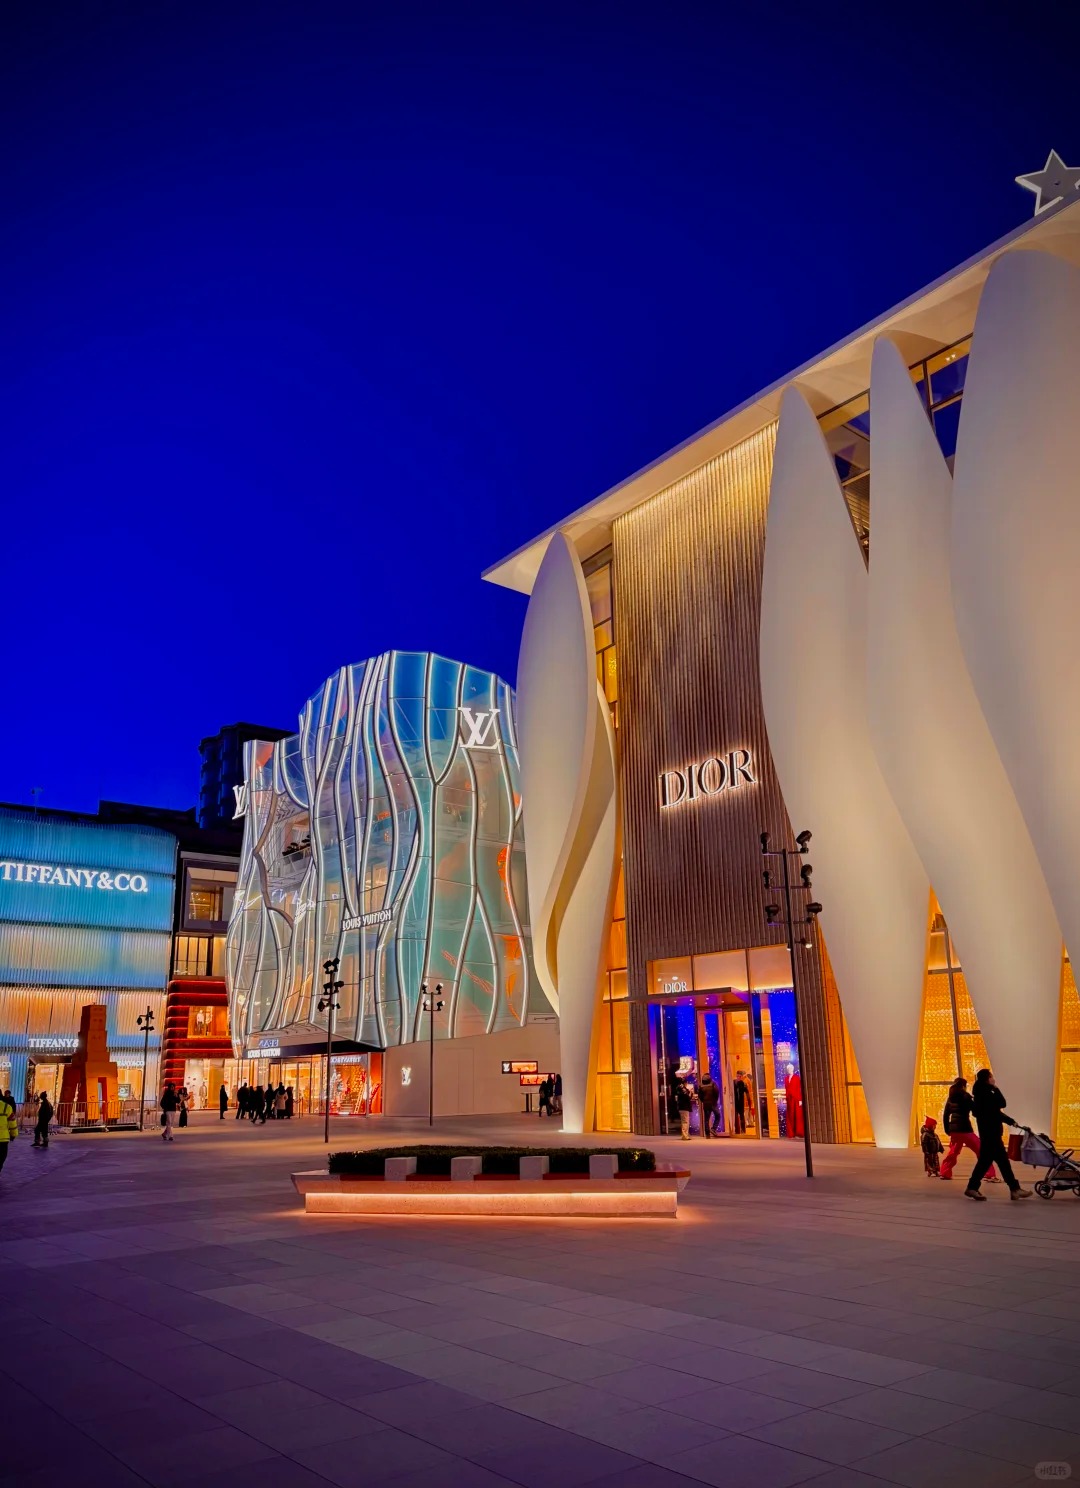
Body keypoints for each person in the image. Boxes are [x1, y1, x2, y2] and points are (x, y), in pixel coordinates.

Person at [966, 1068, 1031, 1201]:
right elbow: (1002, 1104)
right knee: (1000, 1162)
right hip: (992, 1134)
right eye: (991, 1077)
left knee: (990, 1162)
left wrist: (1010, 1121)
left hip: (988, 1134)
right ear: (987, 1079)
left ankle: (973, 1187)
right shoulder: (987, 1094)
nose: (993, 1079)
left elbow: (995, 1112)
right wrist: (996, 1088)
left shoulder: (980, 1095)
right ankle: (1014, 1189)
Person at [939, 1076, 998, 1183]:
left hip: (954, 1131)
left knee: (953, 1152)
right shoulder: (965, 1096)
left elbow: (946, 1115)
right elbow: (976, 1110)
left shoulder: (950, 1098)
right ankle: (989, 1174)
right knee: (981, 1150)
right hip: (965, 1129)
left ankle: (944, 1172)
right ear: (963, 1086)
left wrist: (948, 1129)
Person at [697, 1072, 721, 1137]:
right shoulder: (713, 1084)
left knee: (706, 1119)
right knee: (718, 1115)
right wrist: (715, 1100)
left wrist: (703, 1101)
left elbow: (700, 1096)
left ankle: (707, 1134)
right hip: (713, 1103)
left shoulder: (701, 1085)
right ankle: (713, 1129)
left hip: (706, 1104)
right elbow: (716, 1092)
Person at [0, 1087, 17, 1175]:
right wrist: (13, 1134)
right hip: (3, 1140)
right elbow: (12, 1123)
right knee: (1, 1158)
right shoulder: (7, 1107)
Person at [674, 1076, 694, 1140]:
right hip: (684, 1107)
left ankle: (685, 1134)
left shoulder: (680, 1088)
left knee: (684, 1121)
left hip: (682, 1107)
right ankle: (685, 1135)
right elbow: (687, 1097)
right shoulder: (683, 1088)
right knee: (685, 1121)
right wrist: (690, 1093)